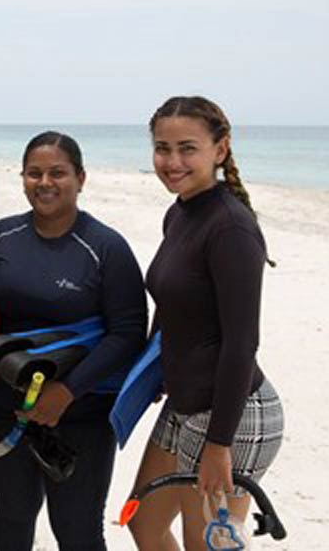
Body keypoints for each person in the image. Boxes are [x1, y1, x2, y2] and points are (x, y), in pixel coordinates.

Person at [0, 131, 148, 551]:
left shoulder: (106, 247)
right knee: (13, 513)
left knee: (77, 528)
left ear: (80, 178)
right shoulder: (1, 235)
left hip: (82, 410)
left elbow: (128, 333)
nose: (44, 182)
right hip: (2, 404)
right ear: (22, 178)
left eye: (57, 173)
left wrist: (65, 392)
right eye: (34, 173)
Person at [127, 96, 284, 551]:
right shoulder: (179, 212)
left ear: (220, 149)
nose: (172, 162)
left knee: (209, 546)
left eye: (187, 148)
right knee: (145, 523)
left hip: (232, 414)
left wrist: (219, 445)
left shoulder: (230, 228)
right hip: (184, 402)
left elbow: (241, 344)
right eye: (162, 148)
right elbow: (173, 301)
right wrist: (153, 370)